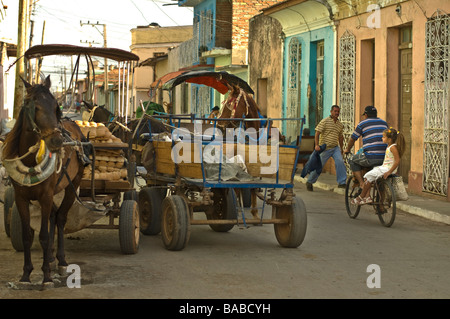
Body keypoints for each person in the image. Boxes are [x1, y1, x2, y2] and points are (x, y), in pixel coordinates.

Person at [351, 128, 405, 205]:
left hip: (387, 169)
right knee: (369, 176)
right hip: (385, 168)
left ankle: (361, 197)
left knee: (367, 176)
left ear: (389, 139)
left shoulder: (393, 147)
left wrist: (389, 172)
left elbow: (397, 161)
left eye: (384, 137)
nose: (382, 138)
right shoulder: (390, 146)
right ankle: (367, 197)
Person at [344, 106, 389, 188]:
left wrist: (347, 149)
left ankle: (361, 183)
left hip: (371, 157)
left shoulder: (362, 124)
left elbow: (352, 139)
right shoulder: (384, 123)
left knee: (352, 159)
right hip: (385, 157)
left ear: (366, 115)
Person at [305, 105, 347, 191]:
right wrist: (317, 145)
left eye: (338, 111)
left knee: (340, 162)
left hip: (335, 148)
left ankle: (342, 183)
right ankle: (310, 181)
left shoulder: (339, 125)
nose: (336, 113)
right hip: (324, 148)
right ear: (331, 112)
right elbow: (317, 133)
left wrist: (341, 149)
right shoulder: (324, 121)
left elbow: (340, 137)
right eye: (335, 111)